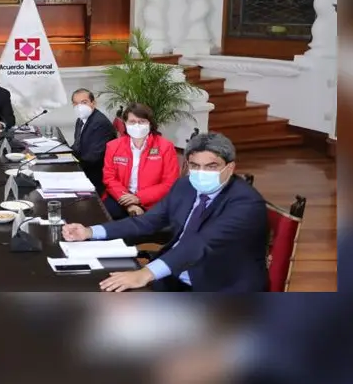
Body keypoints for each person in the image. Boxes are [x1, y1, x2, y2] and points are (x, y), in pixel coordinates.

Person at [63, 133, 268, 293]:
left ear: (230, 168)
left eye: (211, 166)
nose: (201, 172)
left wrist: (145, 274)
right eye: (195, 165)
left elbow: (202, 244)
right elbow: (147, 221)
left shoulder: (246, 203)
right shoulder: (185, 186)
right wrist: (90, 232)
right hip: (174, 274)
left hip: (218, 287)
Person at [100, 103, 178, 219]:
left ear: (150, 124)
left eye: (142, 121)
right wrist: (130, 203)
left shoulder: (165, 147)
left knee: (144, 223)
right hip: (120, 196)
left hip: (153, 200)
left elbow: (169, 183)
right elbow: (109, 178)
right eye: (132, 122)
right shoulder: (113, 146)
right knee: (107, 216)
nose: (137, 125)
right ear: (125, 124)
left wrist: (139, 197)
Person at [69, 89, 117, 195]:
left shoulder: (100, 123)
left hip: (95, 176)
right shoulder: (81, 119)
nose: (80, 106)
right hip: (84, 169)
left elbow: (93, 158)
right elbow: (77, 146)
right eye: (76, 104)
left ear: (93, 103)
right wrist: (63, 154)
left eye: (84, 102)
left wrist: (69, 165)